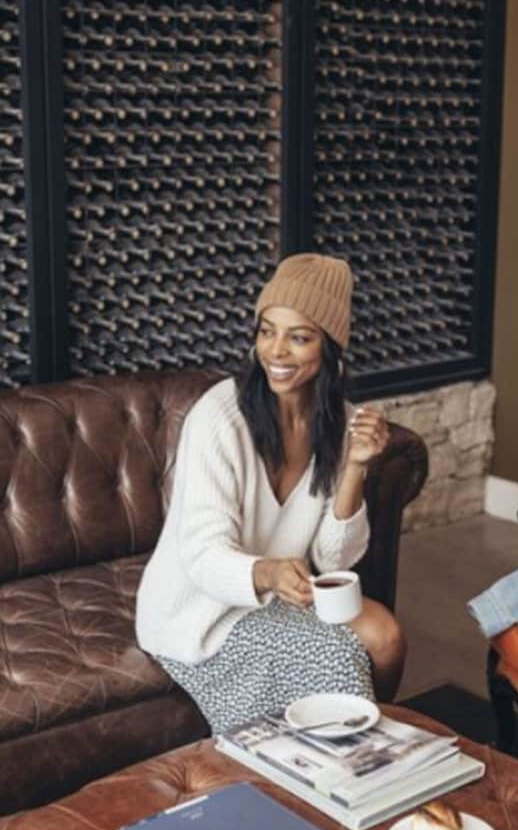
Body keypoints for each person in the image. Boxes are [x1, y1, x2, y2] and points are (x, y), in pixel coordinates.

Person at [135, 252, 406, 734]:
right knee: (335, 652)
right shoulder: (220, 416)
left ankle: (364, 745)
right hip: (201, 610)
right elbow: (201, 555)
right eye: (266, 331)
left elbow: (334, 559)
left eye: (298, 337)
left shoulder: (340, 424)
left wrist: (354, 468)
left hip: (276, 595)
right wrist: (268, 571)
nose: (276, 352)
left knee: (385, 634)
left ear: (331, 349)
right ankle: (337, 761)